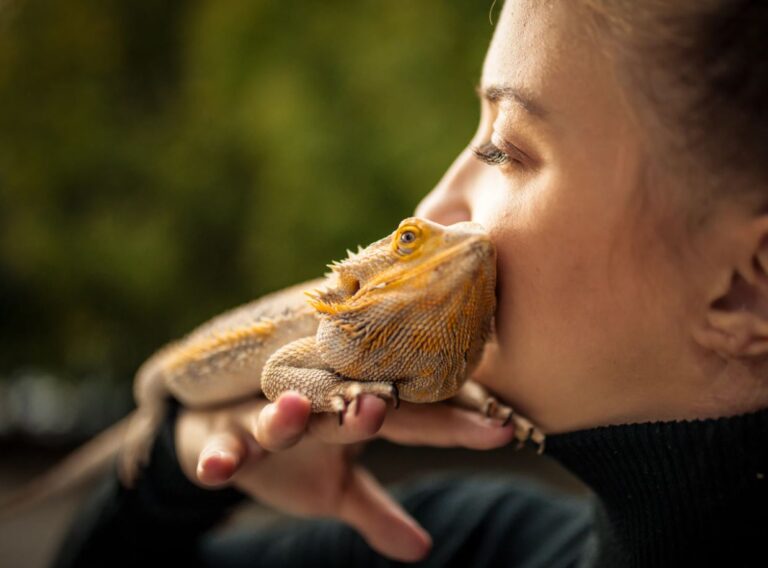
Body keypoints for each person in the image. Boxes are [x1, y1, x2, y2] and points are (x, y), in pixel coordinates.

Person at [53, 1, 768, 566]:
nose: (435, 209)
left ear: (748, 287)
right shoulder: (458, 537)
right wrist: (172, 478)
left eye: (507, 150)